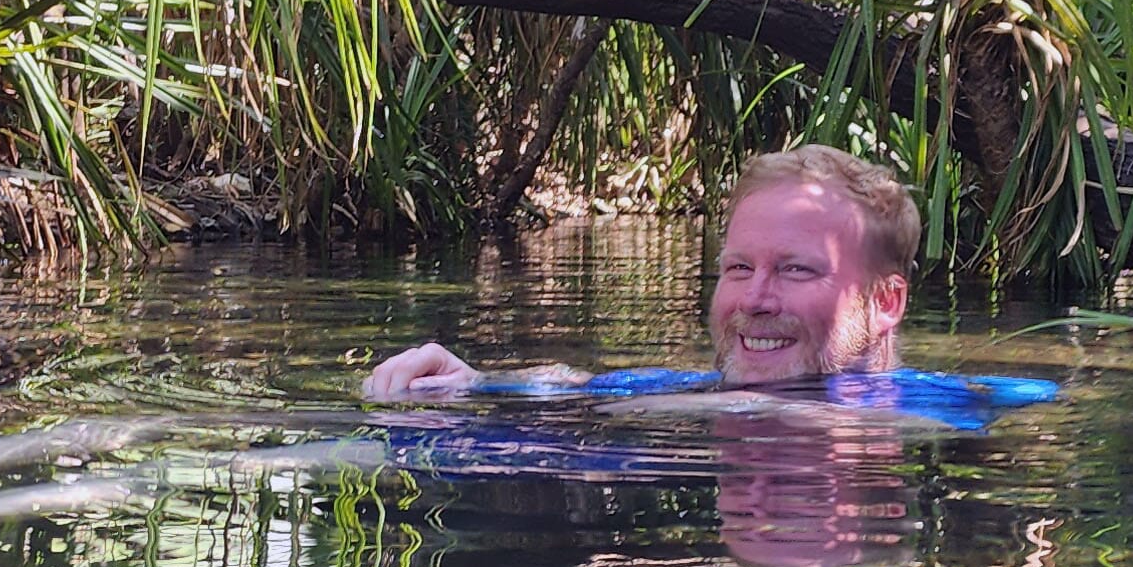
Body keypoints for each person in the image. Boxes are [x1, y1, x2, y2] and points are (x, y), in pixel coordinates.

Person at [360, 145, 1050, 421]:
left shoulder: (969, 404)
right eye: (739, 268)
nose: (754, 299)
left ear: (887, 301)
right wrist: (466, 382)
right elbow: (573, 387)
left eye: (796, 269)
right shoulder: (684, 388)